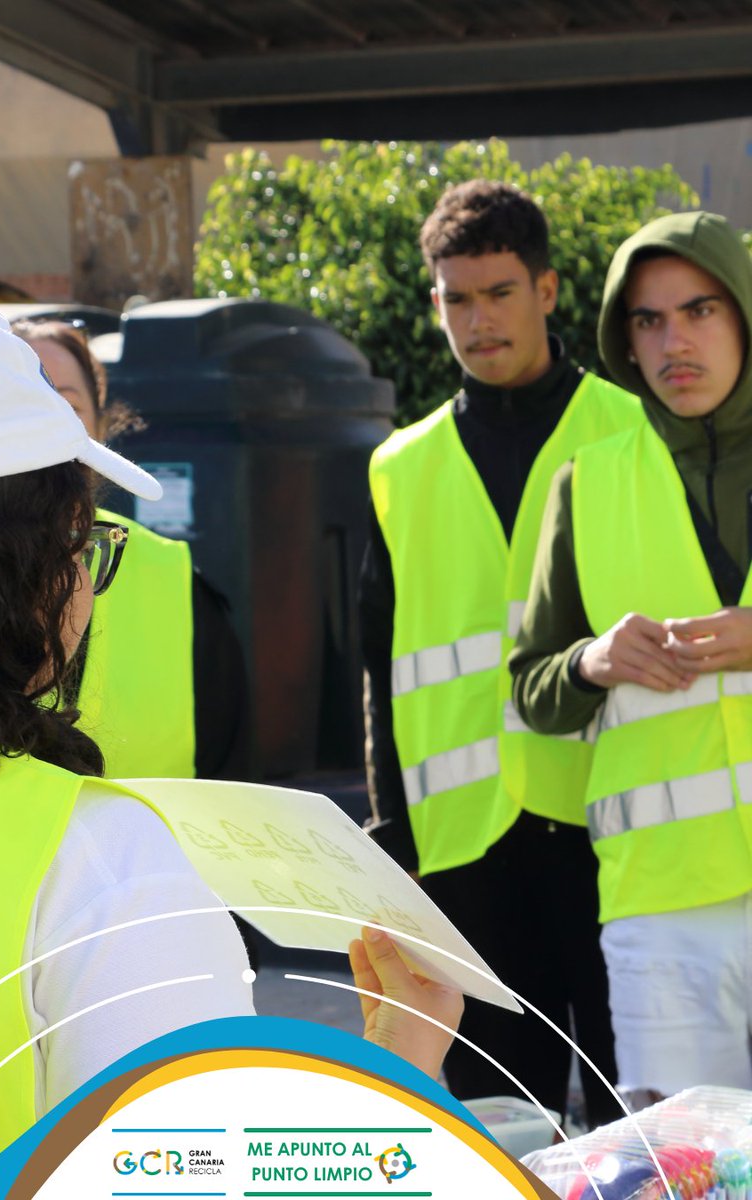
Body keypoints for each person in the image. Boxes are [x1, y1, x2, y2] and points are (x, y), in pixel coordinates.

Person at [0, 292, 460, 1199]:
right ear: (9, 572)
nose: (88, 584)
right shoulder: (98, 864)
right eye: (79, 542)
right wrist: (400, 1077)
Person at [361, 180, 642, 1123]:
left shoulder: (631, 431)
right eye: (455, 299)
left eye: (498, 293)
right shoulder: (400, 466)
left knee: (629, 1118)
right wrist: (390, 847)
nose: (476, 321)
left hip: (607, 828)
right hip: (463, 852)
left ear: (549, 291)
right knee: (492, 1124)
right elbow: (378, 670)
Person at [510, 210, 752, 1103]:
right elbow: (533, 689)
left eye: (700, 311)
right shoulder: (589, 479)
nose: (672, 341)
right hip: (662, 913)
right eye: (647, 321)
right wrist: (592, 662)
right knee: (685, 1173)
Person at [12, 318, 249, 779]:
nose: (47, 425)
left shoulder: (178, 585)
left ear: (101, 427)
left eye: (66, 404)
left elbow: (235, 779)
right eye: (20, 403)